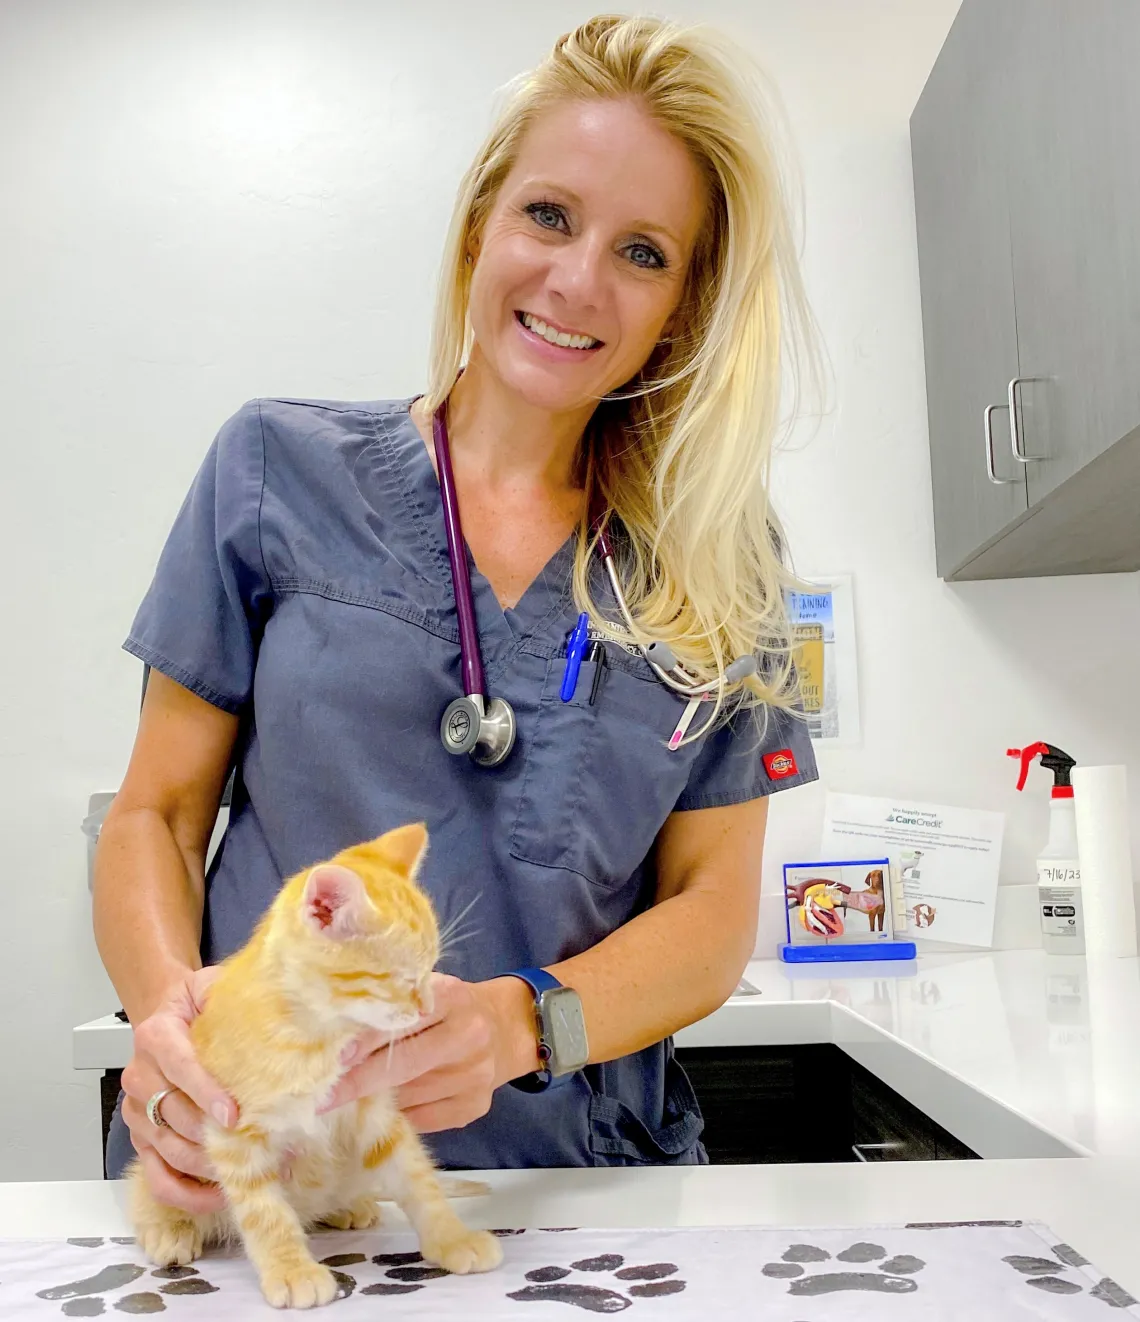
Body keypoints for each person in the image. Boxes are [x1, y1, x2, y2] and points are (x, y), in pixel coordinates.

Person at [94, 12, 820, 1212]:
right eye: (550, 214)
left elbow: (711, 914)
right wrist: (170, 1020)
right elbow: (157, 815)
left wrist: (521, 1022)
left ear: (683, 307)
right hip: (272, 1178)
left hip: (573, 1194)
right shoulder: (273, 466)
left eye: (644, 252)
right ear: (482, 220)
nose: (578, 279)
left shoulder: (719, 560)